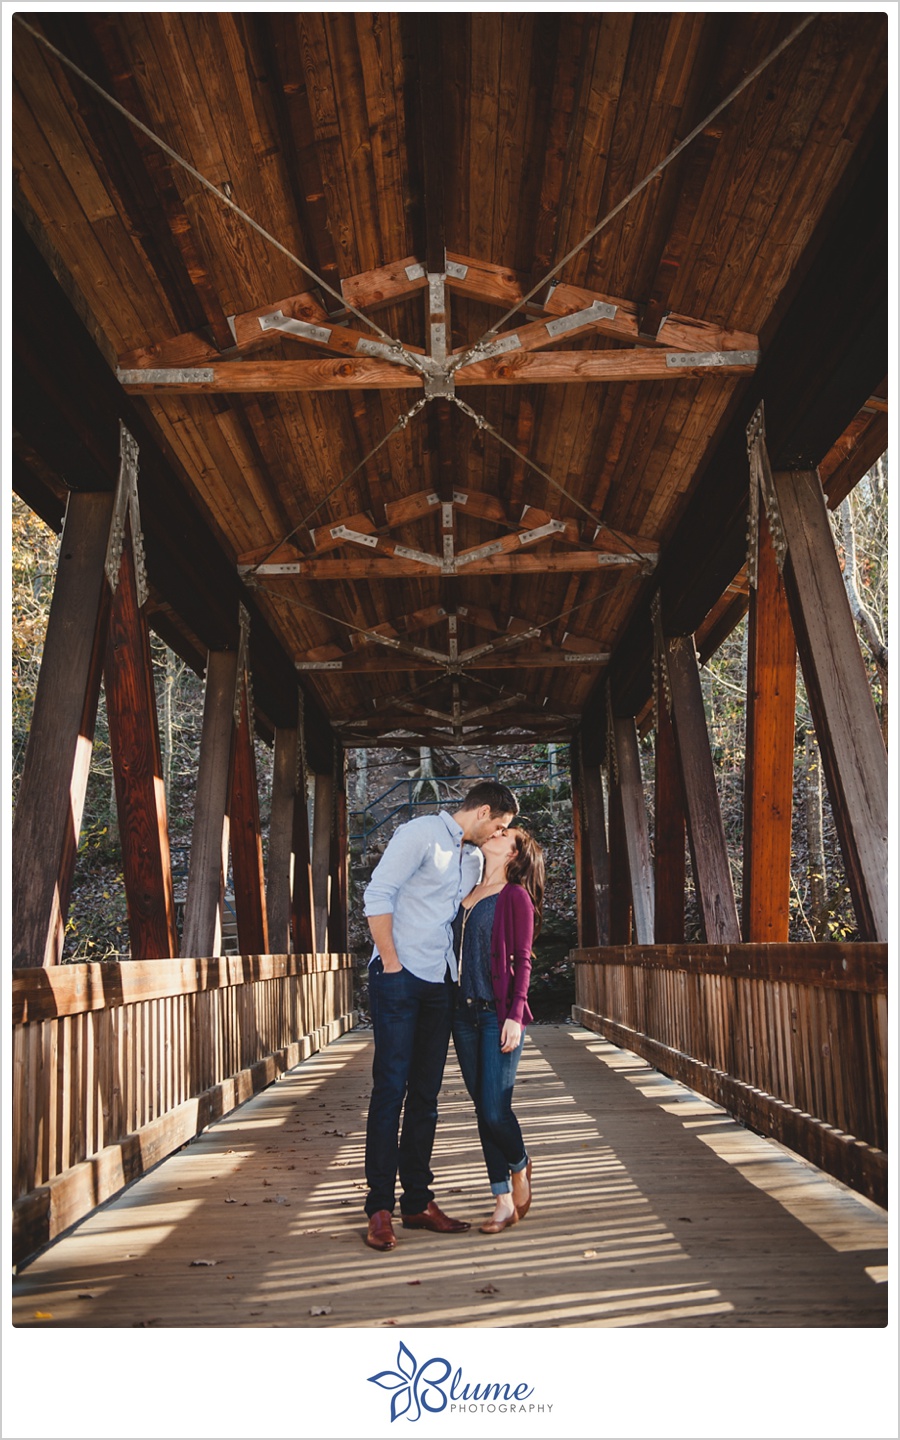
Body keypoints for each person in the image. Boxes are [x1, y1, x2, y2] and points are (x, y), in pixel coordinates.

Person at [362, 780, 519, 1252]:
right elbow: (377, 895)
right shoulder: (420, 835)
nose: (499, 834)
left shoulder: (472, 859)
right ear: (484, 812)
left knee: (426, 1095)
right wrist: (390, 963)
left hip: (440, 984)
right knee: (391, 1089)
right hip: (399, 976)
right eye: (500, 825)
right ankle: (380, 1208)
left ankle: (417, 1201)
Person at [451, 826, 544, 1234]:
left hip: (496, 1014)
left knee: (494, 1108)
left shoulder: (515, 897)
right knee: (481, 1111)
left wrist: (514, 1014)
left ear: (514, 853)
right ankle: (501, 1200)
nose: (497, 832)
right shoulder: (465, 891)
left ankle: (521, 1164)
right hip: (461, 1014)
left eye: (507, 833)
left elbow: (523, 959)